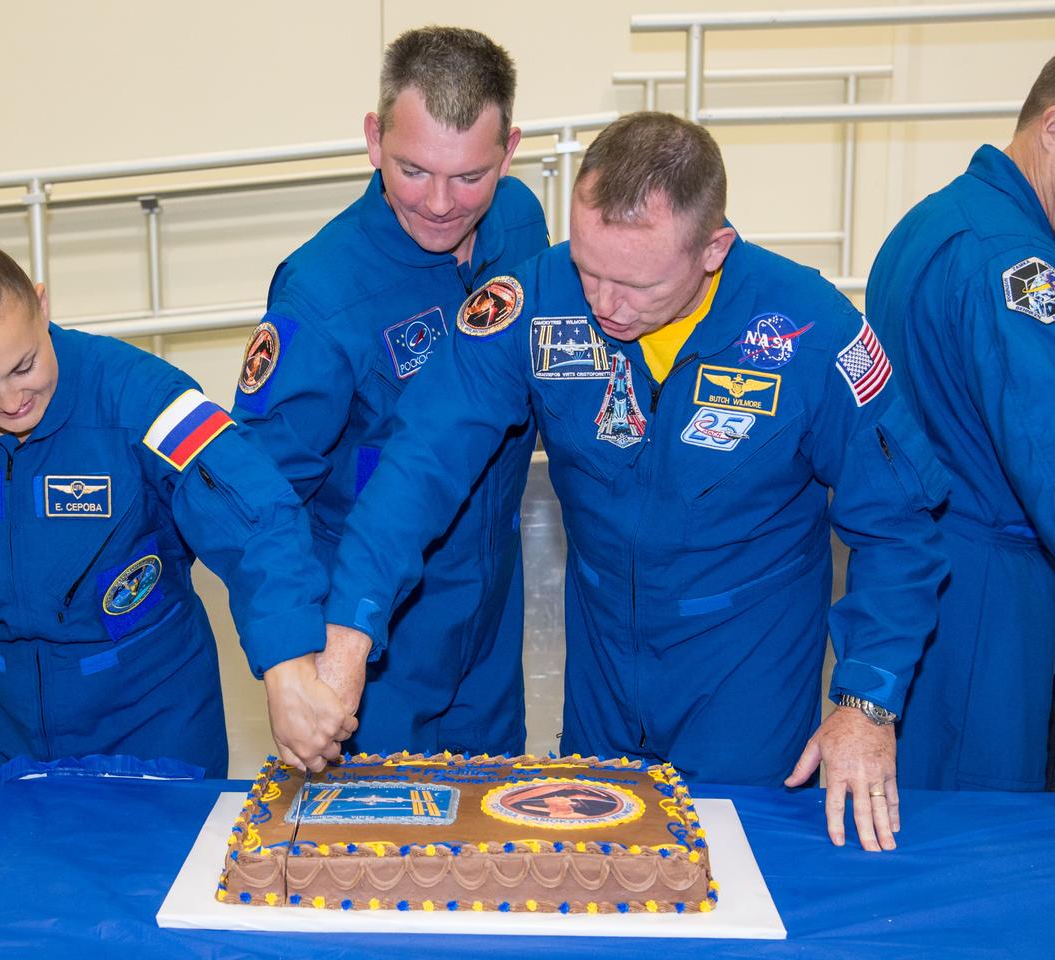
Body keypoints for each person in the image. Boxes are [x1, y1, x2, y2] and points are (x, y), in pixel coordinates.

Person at [325, 112, 950, 851]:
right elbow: (419, 464)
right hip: (602, 673)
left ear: (713, 249)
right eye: (588, 267)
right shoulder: (532, 303)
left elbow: (901, 524)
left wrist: (867, 702)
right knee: (593, 876)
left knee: (740, 874)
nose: (603, 304)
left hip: (742, 670)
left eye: (634, 283)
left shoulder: (809, 332)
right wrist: (348, 639)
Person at [0, 203, 354, 811]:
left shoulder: (140, 395)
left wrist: (287, 662)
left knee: (152, 893)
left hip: (149, 713)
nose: (12, 399)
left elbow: (255, 510)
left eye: (24, 365)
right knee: (3, 896)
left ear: (43, 306)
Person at [231, 26, 548, 755]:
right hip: (370, 635)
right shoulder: (321, 294)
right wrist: (288, 655)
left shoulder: (521, 222)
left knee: (488, 842)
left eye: (470, 176)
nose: (440, 203)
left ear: (510, 149)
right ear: (374, 138)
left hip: (489, 619)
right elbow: (259, 495)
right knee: (371, 856)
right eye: (412, 169)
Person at [867, 56, 1055, 792]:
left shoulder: (936, 219)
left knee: (918, 821)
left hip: (922, 570)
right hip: (988, 596)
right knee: (985, 843)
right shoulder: (1016, 262)